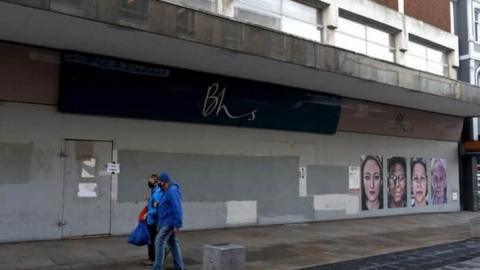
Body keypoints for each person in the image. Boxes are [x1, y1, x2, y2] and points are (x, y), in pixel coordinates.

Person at [153, 172, 184, 270]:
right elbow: (167, 204)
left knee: (159, 242)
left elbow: (177, 208)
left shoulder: (172, 191)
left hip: (169, 222)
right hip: (166, 221)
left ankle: (157, 268)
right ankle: (179, 267)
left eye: (159, 183)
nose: (159, 185)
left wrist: (177, 224)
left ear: (164, 182)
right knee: (173, 244)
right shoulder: (166, 191)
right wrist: (158, 204)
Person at [145, 174, 162, 266]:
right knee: (152, 240)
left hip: (154, 221)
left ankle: (153, 259)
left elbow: (157, 208)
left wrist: (148, 213)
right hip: (151, 220)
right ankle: (153, 259)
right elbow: (153, 205)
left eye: (150, 181)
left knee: (153, 240)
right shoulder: (153, 191)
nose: (148, 183)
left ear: (155, 182)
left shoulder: (157, 192)